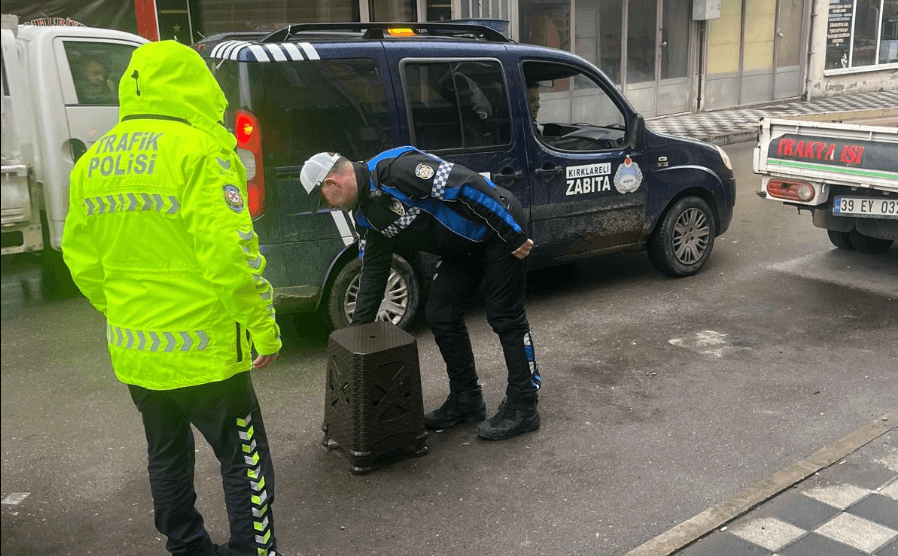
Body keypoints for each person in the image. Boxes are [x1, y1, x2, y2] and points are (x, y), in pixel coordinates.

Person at [62, 41, 283, 556]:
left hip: (137, 350)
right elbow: (231, 256)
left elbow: (81, 260)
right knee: (244, 460)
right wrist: (263, 328)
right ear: (197, 87)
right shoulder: (201, 151)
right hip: (207, 352)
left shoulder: (93, 161)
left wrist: (121, 308)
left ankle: (186, 547)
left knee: (165, 455)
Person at [300, 147, 542, 441]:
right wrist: (355, 338)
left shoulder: (394, 171)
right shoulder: (365, 216)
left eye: (323, 199)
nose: (329, 206)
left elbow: (467, 184)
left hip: (496, 226)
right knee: (441, 313)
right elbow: (373, 273)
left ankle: (524, 405)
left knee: (505, 316)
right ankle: (466, 399)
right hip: (462, 247)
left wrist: (512, 233)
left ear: (332, 183)